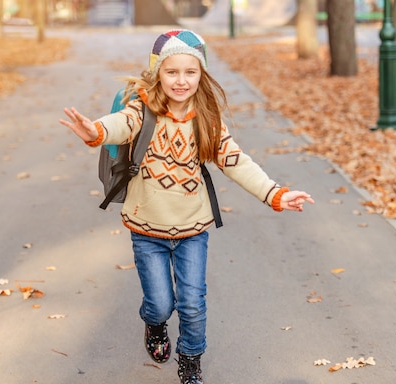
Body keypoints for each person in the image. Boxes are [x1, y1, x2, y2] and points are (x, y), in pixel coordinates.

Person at [59, 29, 314, 384]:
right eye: (172, 72)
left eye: (190, 72)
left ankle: (190, 359)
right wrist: (95, 131)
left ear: (202, 74)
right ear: (158, 73)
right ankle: (154, 323)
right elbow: (120, 124)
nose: (181, 81)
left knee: (193, 304)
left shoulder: (206, 120)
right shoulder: (143, 110)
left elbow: (236, 162)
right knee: (161, 304)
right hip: (147, 229)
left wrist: (274, 194)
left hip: (193, 230)